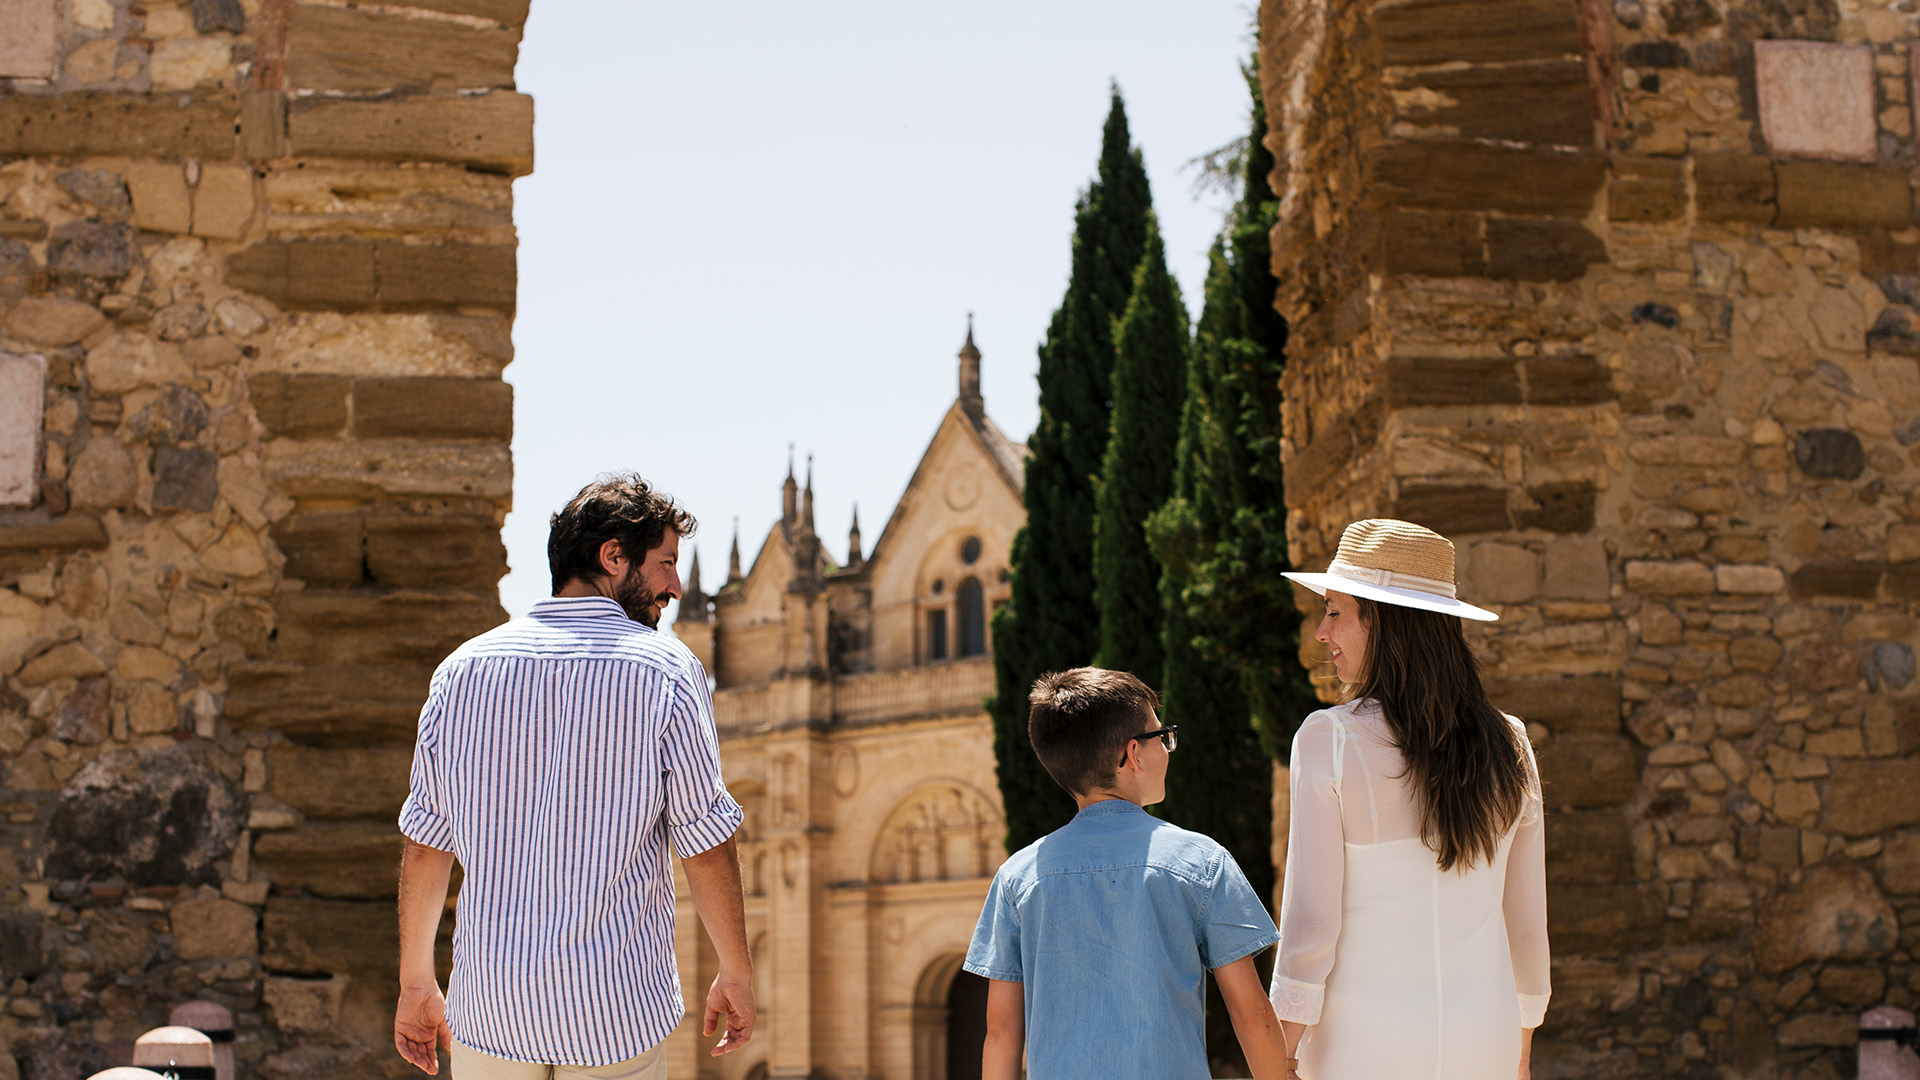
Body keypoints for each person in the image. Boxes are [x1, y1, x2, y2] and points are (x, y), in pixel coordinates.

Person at [393, 473, 754, 1079]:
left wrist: (415, 982)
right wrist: (736, 970)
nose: (676, 585)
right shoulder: (666, 670)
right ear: (613, 556)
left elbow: (427, 844)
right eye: (665, 563)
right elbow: (706, 842)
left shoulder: (460, 672)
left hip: (491, 1010)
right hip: (614, 1010)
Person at [1269, 519, 1549, 1079]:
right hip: (1483, 1045)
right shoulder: (1510, 741)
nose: (1322, 634)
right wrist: (1518, 1056)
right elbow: (1525, 925)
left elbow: (1310, 929)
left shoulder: (1331, 740)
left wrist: (1276, 1060)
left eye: (1334, 612)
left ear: (1387, 623)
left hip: (1362, 1051)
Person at [964, 667, 1292, 1080]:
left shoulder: (1017, 878)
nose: (1169, 749)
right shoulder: (1201, 861)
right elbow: (1250, 1012)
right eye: (1163, 737)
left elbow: (1002, 1033)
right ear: (1133, 754)